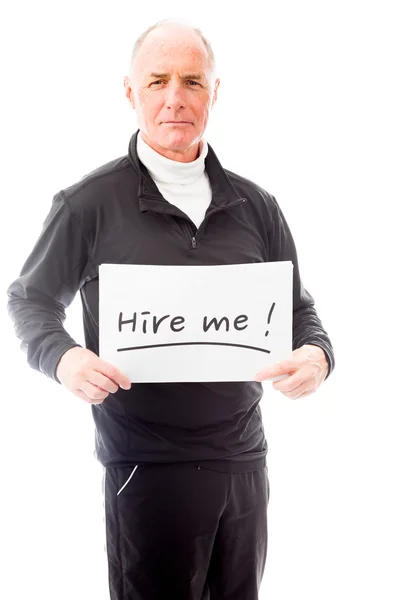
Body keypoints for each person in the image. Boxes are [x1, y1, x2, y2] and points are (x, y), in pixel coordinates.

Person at [6, 17, 335, 600]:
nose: (175, 99)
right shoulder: (87, 205)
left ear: (214, 91)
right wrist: (63, 358)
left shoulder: (258, 206)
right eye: (157, 81)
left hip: (242, 461)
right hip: (145, 467)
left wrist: (318, 355)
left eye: (192, 81)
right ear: (130, 93)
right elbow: (30, 300)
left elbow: (298, 313)